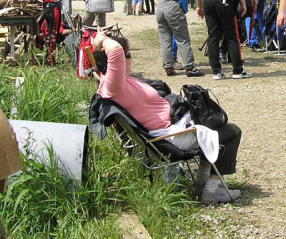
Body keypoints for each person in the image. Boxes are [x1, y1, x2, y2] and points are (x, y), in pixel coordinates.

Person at [93, 29, 241, 203]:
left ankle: (202, 182)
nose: (131, 58)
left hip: (172, 127)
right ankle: (212, 189)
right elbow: (116, 50)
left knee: (211, 118)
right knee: (232, 131)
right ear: (118, 61)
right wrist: (100, 40)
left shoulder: (112, 81)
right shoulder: (114, 85)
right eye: (129, 54)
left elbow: (115, 53)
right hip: (170, 137)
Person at [153, 0, 204, 78]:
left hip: (160, 5)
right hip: (172, 4)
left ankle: (168, 66)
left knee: (165, 38)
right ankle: (189, 66)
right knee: (182, 37)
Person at [41, 0, 66, 65]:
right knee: (53, 34)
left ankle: (48, 57)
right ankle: (51, 60)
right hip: (53, 8)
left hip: (47, 7)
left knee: (49, 32)